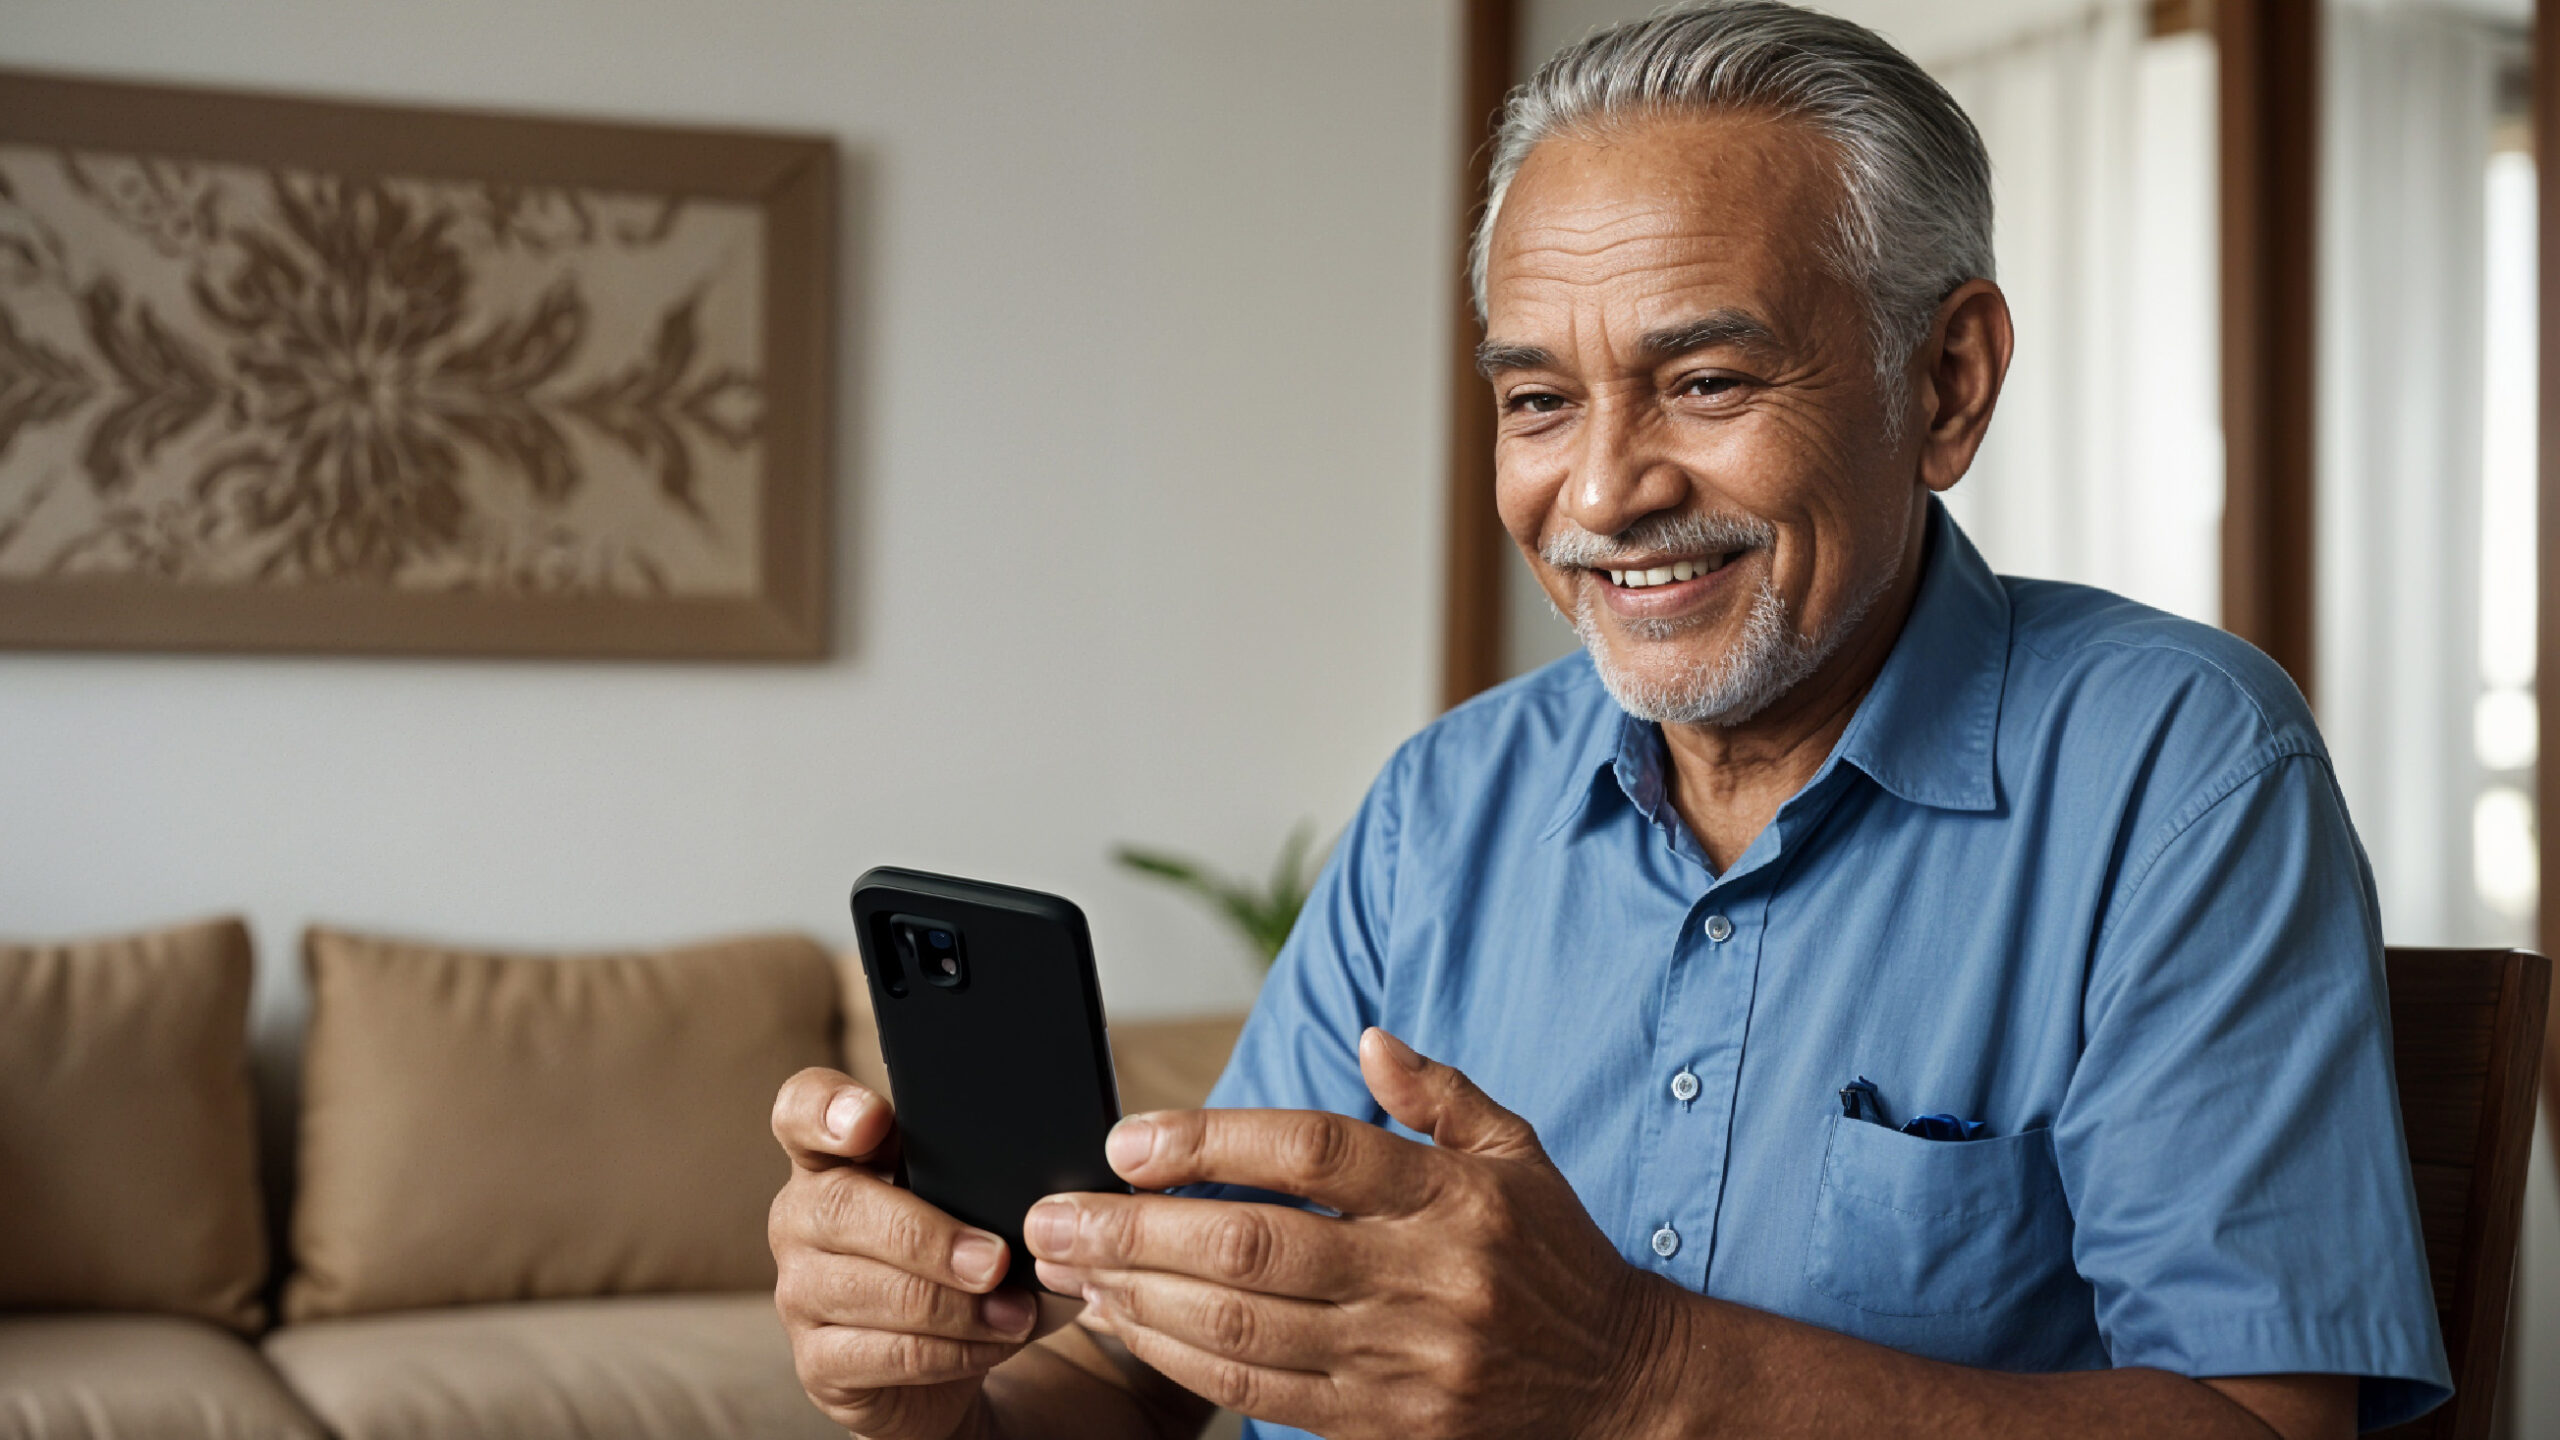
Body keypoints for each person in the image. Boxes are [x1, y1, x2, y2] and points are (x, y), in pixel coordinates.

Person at [767, 4, 2451, 1437]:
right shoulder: (1446, 800)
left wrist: (1638, 1370)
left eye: (1707, 383)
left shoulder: (2180, 771)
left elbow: (2263, 1423)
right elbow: (1148, 1368)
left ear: (1944, 385)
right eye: (1537, 402)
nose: (1603, 492)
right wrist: (934, 1399)